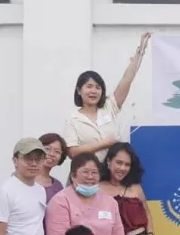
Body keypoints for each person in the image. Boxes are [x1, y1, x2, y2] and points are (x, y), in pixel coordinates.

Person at [63, 33, 151, 161]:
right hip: (88, 172)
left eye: (98, 87)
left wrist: (140, 50)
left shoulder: (109, 106)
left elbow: (127, 80)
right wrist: (104, 144)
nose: (93, 91)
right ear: (79, 90)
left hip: (112, 171)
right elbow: (72, 152)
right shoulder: (73, 119)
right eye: (89, 86)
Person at [45, 153, 124, 235]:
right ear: (73, 175)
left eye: (94, 172)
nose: (90, 176)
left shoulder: (110, 202)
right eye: (85, 172)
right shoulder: (60, 201)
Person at [38, 133, 69, 203]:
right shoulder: (25, 179)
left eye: (57, 152)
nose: (52, 154)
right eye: (47, 149)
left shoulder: (58, 186)